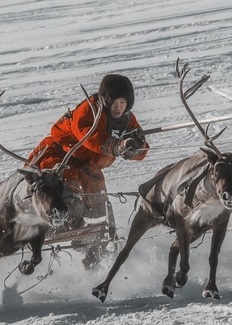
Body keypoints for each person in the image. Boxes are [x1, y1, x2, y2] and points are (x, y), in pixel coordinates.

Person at [28, 74, 150, 268]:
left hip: (88, 166)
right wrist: (116, 146)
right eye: (114, 102)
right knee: (68, 195)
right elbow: (88, 136)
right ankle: (65, 227)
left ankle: (94, 250)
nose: (119, 107)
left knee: (98, 199)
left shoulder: (127, 120)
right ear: (105, 100)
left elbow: (142, 145)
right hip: (60, 158)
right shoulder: (90, 109)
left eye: (123, 102)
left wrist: (135, 148)